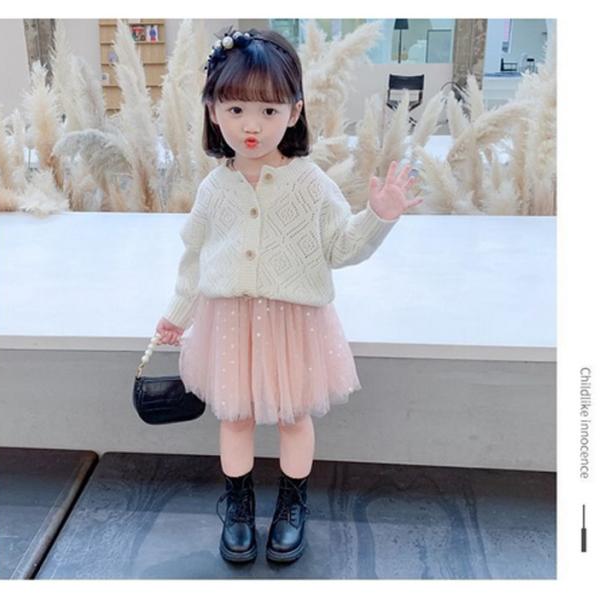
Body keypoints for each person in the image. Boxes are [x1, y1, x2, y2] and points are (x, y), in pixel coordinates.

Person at [155, 26, 423, 565]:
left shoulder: (311, 184)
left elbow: (342, 248)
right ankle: (238, 509)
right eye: (235, 109)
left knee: (294, 418)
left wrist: (379, 217)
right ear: (213, 111)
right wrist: (177, 316)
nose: (251, 125)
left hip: (294, 324)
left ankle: (292, 506)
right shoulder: (214, 188)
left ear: (295, 111)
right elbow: (195, 258)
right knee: (234, 417)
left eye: (269, 110)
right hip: (228, 320)